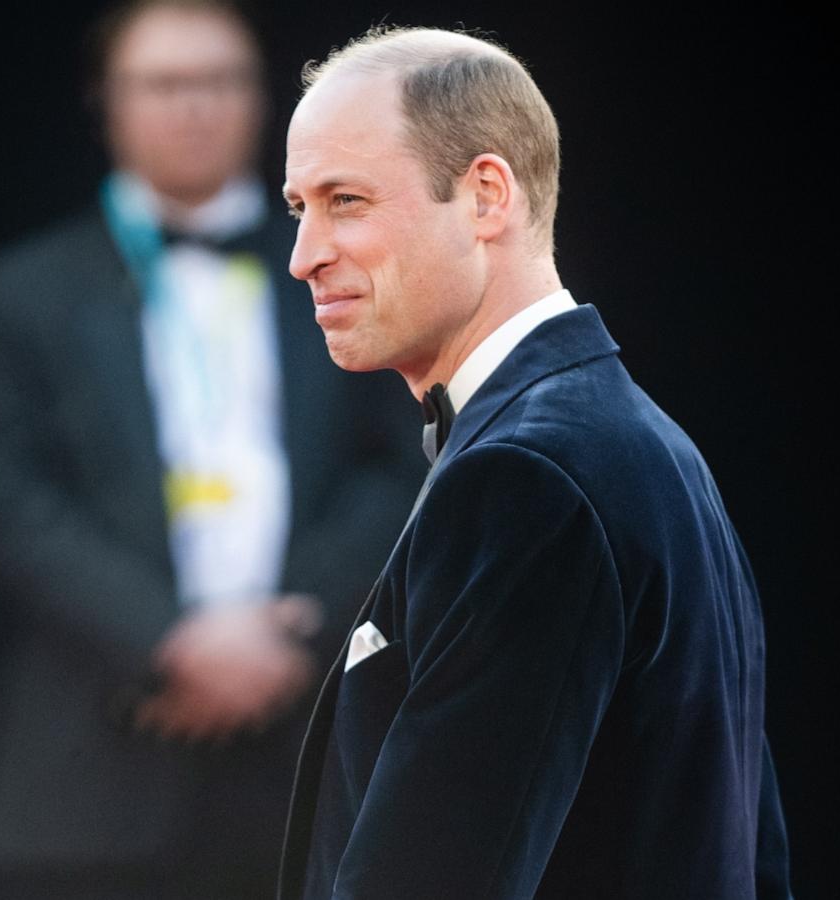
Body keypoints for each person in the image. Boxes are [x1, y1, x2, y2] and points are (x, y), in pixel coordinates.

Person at [276, 27, 793, 899]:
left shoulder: (530, 479)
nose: (304, 255)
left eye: (347, 201)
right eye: (300, 209)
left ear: (486, 197)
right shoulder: (640, 445)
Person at [0, 3, 423, 898]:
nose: (195, 107)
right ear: (105, 100)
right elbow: (6, 497)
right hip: (104, 745)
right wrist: (175, 640)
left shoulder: (354, 270)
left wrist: (292, 628)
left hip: (316, 731)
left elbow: (409, 459)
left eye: (222, 80)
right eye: (164, 83)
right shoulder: (27, 292)